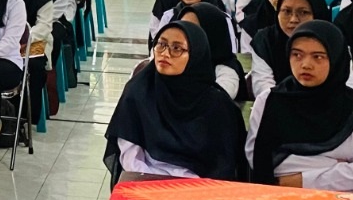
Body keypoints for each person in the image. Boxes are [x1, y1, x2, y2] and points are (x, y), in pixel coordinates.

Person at [246, 21, 353, 191]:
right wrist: (335, 165)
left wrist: (303, 179)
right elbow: (257, 159)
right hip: (283, 199)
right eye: (297, 55)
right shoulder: (269, 101)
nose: (305, 64)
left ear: (335, 59)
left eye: (318, 57)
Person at [103, 21, 247, 183]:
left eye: (177, 48)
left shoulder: (216, 103)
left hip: (201, 190)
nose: (165, 53)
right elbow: (130, 158)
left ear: (195, 55)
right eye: (161, 44)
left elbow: (224, 164)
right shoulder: (139, 91)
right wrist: (159, 186)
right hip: (146, 184)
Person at [250, 0, 339, 103]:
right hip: (281, 109)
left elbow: (349, 86)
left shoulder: (333, 39)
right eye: (286, 11)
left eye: (303, 12)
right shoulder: (265, 40)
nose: (293, 20)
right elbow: (263, 87)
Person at [178, 1, 244, 100]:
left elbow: (219, 98)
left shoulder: (227, 69)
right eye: (183, 27)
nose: (187, 33)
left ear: (212, 33)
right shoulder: (176, 58)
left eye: (194, 29)